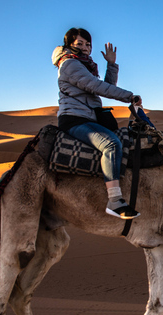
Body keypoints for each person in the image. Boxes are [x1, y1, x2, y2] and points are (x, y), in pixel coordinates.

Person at [52, 27, 141, 220]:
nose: (85, 48)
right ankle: (114, 201)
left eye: (88, 44)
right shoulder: (69, 65)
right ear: (69, 45)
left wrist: (111, 65)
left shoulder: (85, 65)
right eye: (80, 44)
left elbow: (105, 87)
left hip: (88, 118)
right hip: (75, 119)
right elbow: (97, 87)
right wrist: (129, 97)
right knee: (111, 143)